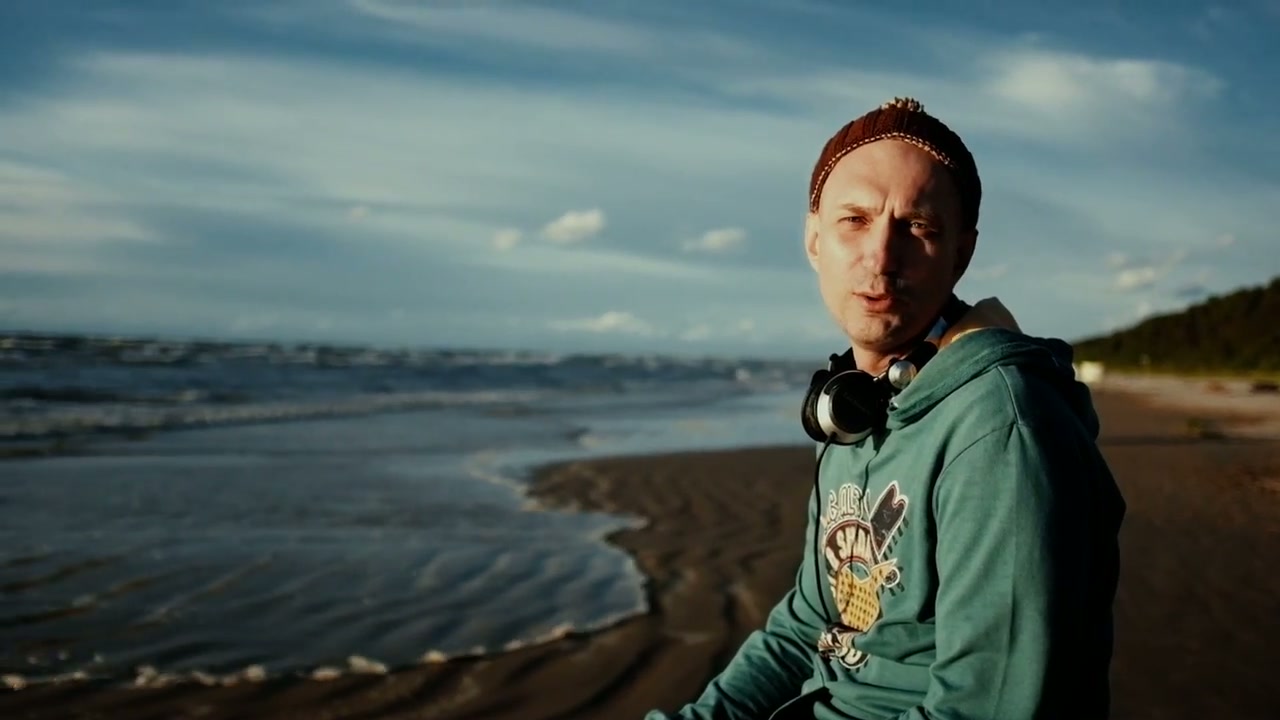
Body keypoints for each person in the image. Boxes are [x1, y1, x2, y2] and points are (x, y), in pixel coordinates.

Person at [644, 98, 1127, 720]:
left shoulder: (1003, 429)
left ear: (960, 254)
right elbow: (806, 627)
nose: (880, 257)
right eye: (855, 220)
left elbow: (987, 709)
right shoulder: (854, 407)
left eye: (918, 227)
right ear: (813, 239)